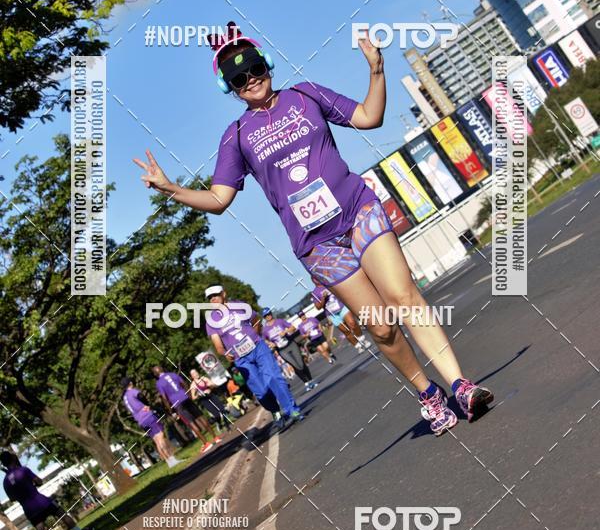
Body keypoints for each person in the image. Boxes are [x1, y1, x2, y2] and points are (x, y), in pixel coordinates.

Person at [134, 23, 493, 435]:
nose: (250, 79)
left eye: (254, 68)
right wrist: (171, 189)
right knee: (380, 325)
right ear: (229, 88)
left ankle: (460, 385)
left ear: (266, 65)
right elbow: (218, 199)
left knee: (402, 295)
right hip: (317, 245)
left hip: (359, 210)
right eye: (239, 78)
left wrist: (377, 70)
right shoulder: (236, 137)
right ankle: (428, 394)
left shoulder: (305, 95)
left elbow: (369, 117)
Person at [200, 285, 303, 427]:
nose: (213, 299)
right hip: (240, 359)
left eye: (216, 295)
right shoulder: (211, 321)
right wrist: (225, 353)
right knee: (260, 390)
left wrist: (254, 336)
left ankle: (292, 410)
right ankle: (275, 411)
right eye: (210, 298)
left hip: (258, 347)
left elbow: (256, 321)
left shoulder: (240, 306)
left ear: (224, 293)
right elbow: (218, 345)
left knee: (273, 377)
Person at [1, 451, 88, 530]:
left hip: (28, 508)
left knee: (40, 529)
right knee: (61, 514)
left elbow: (12, 499)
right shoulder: (23, 470)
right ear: (12, 458)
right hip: (40, 501)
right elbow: (39, 481)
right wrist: (33, 484)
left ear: (3, 464)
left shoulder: (5, 482)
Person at [152, 366, 222, 453]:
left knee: (191, 423)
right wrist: (189, 395)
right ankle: (216, 437)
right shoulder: (173, 374)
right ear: (162, 369)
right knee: (200, 417)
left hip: (178, 404)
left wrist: (171, 411)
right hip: (186, 398)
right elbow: (184, 384)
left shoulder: (159, 383)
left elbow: (164, 398)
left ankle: (206, 443)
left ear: (155, 374)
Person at [121, 377, 182, 467]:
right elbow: (141, 395)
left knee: (156, 440)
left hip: (141, 421)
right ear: (130, 383)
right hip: (147, 416)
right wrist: (147, 405)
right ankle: (172, 460)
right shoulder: (132, 391)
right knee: (161, 436)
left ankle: (169, 461)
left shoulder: (125, 397)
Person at [261, 308, 318, 391]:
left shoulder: (279, 321)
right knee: (294, 365)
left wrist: (285, 331)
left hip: (291, 344)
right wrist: (270, 343)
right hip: (281, 349)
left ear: (271, 314)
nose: (268, 316)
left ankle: (311, 380)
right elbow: (264, 340)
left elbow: (293, 328)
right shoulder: (265, 330)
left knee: (301, 363)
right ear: (264, 318)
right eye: (266, 316)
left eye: (269, 314)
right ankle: (306, 383)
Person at [311, 280, 372, 354]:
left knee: (352, 323)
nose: (316, 279)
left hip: (341, 307)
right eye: (314, 278)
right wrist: (323, 298)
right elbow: (318, 307)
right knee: (346, 331)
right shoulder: (315, 293)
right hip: (332, 314)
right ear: (313, 280)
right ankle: (358, 346)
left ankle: (362, 339)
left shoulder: (328, 282)